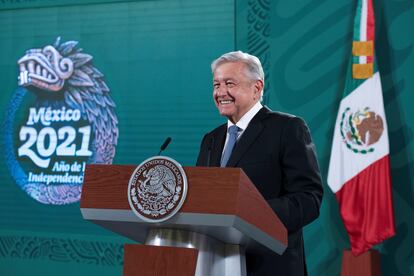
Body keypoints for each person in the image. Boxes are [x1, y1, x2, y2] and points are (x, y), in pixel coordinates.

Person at [196, 51, 323, 276]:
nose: (220, 92)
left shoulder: (287, 128)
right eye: (216, 85)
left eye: (229, 83)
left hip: (270, 266)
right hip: (215, 264)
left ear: (257, 88)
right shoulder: (211, 140)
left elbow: (309, 199)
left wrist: (249, 213)